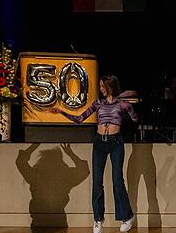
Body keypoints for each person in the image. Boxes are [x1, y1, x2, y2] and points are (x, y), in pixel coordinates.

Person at [51, 75, 138, 233]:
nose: (100, 89)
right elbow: (80, 118)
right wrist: (61, 111)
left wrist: (128, 106)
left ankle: (127, 216)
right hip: (99, 144)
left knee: (117, 180)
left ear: (110, 86)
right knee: (97, 183)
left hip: (116, 143)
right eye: (100, 86)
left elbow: (135, 119)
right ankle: (98, 219)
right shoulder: (98, 103)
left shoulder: (122, 105)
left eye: (103, 86)